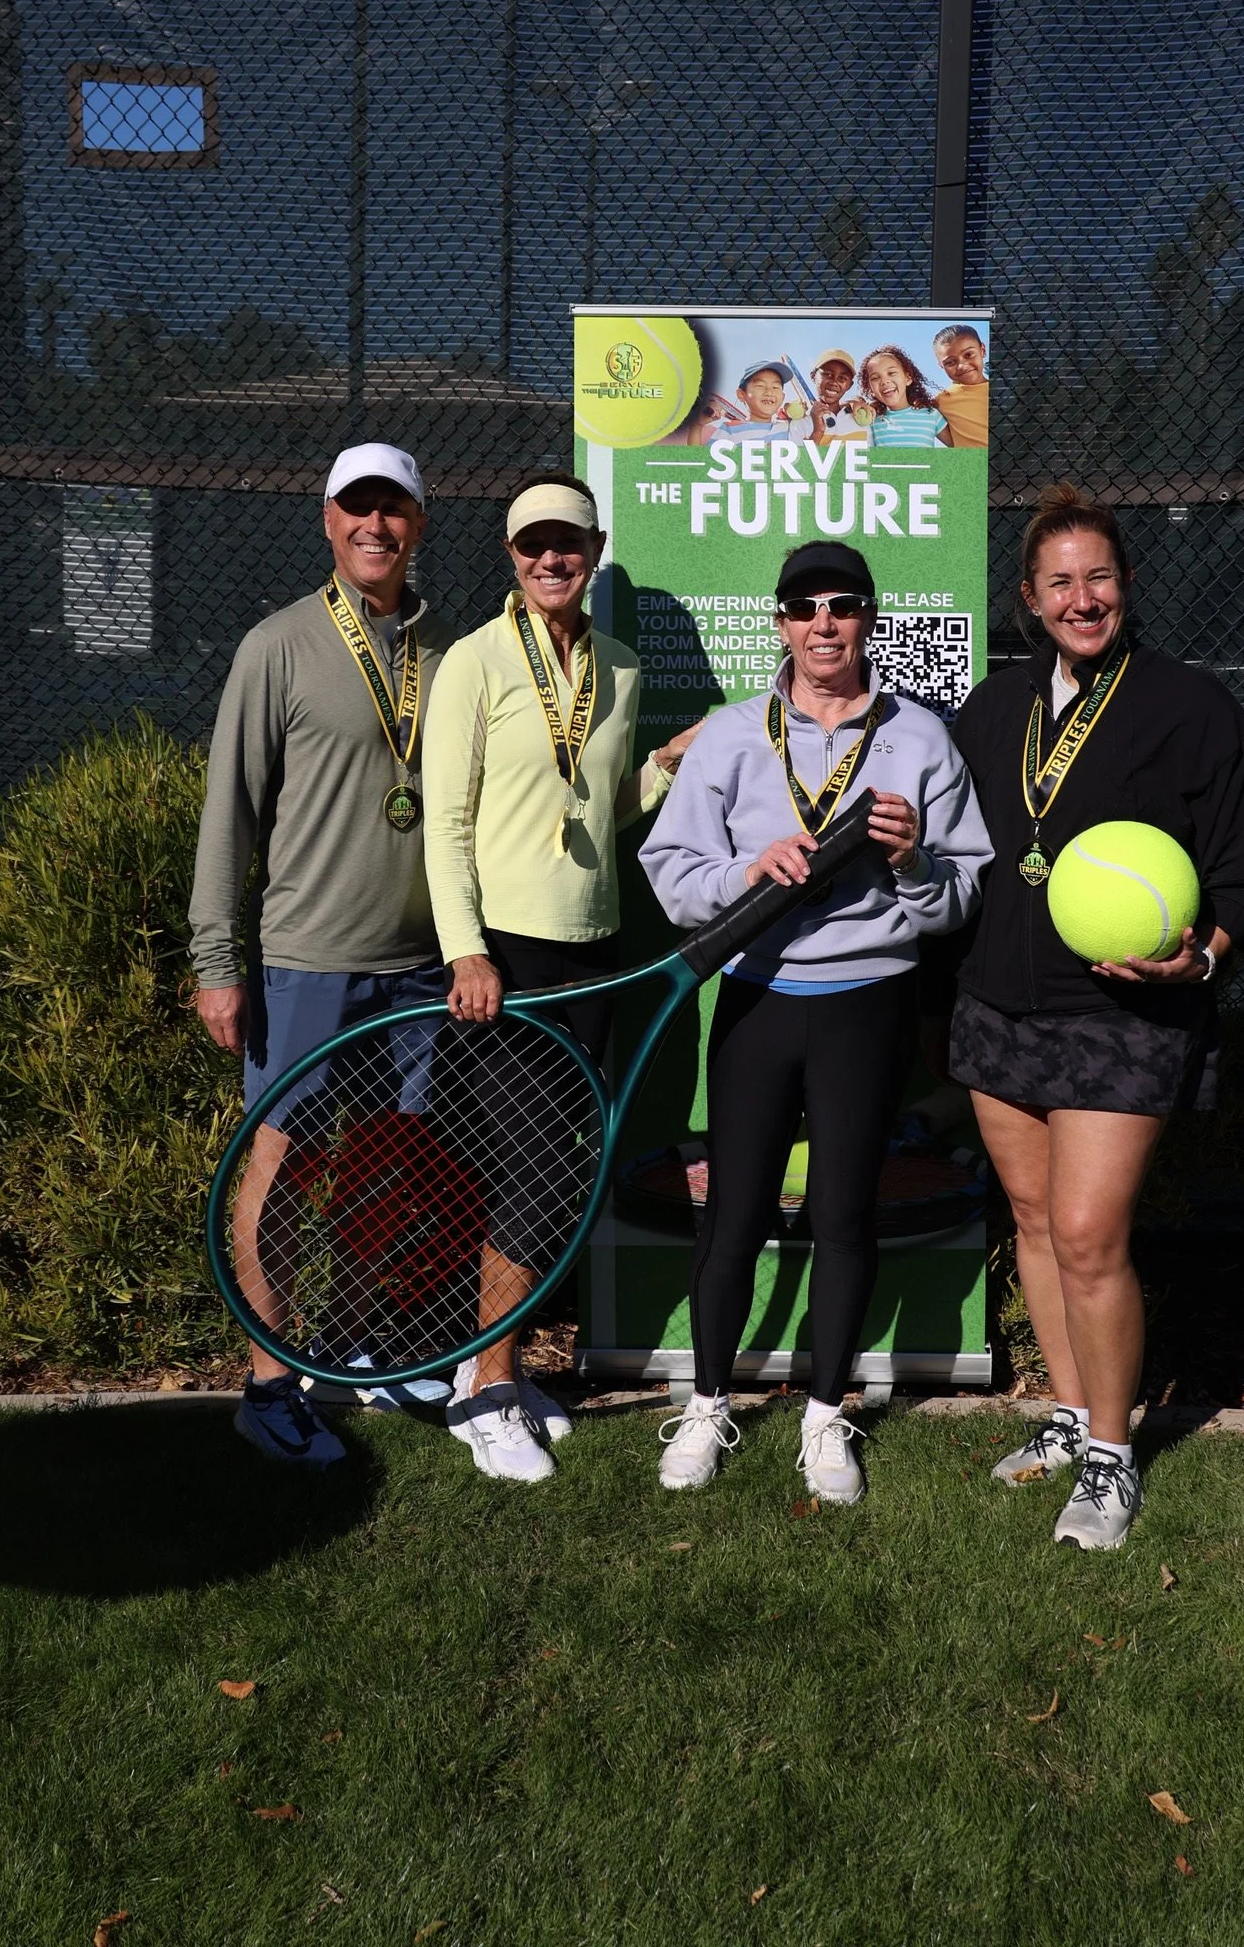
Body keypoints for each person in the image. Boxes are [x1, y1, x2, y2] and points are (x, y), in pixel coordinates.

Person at [948, 483, 1244, 1550]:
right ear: (1029, 600)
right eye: (1061, 582)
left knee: (1092, 1233)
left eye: (1099, 577)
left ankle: (1110, 1458)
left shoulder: (1193, 709)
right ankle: (1066, 1413)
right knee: (1039, 1224)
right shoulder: (992, 713)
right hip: (998, 1005)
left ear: (1127, 589)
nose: (1081, 597)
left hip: (1126, 1015)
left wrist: (1206, 955)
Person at [639, 541, 991, 1506]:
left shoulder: (918, 737)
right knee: (737, 1211)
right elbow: (671, 870)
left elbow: (960, 894)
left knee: (842, 1212)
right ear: (781, 624)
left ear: (868, 617)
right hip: (757, 998)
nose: (823, 623)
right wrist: (747, 873)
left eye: (842, 605)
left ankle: (826, 1413)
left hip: (869, 1002)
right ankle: (708, 1402)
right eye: (804, 607)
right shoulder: (731, 736)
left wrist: (914, 862)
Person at [421, 473, 700, 1483]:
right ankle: (485, 1387)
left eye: (569, 543)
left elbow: (603, 806)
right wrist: (466, 951)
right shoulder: (475, 662)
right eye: (534, 543)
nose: (551, 559)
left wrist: (667, 763)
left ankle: (492, 1374)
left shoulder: (619, 669)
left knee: (555, 1173)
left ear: (594, 548)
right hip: (503, 956)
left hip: (593, 951)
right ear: (511, 554)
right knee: (531, 1173)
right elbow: (447, 825)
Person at [190, 443, 456, 1468]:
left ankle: (352, 1354)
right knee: (281, 1167)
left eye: (393, 510)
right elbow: (230, 816)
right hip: (306, 961)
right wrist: (218, 960)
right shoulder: (280, 646)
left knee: (388, 1172)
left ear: (420, 525)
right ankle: (267, 1384)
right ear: (327, 520)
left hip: (421, 966)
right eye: (357, 509)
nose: (374, 527)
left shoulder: (445, 653)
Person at [858, 343, 947, 448]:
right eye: (875, 378)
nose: (884, 381)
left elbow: (959, 447)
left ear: (907, 378)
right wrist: (854, 402)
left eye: (891, 373)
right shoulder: (872, 419)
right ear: (870, 389)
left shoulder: (931, 414)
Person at [932, 323, 990, 449]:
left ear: (982, 350)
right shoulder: (940, 401)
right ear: (941, 365)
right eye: (950, 362)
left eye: (968, 355)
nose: (962, 366)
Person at [808, 345, 865, 438]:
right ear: (813, 376)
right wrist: (817, 432)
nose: (834, 382)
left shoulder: (860, 417)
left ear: (849, 385)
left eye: (842, 378)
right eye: (828, 374)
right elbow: (799, 453)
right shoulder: (798, 421)